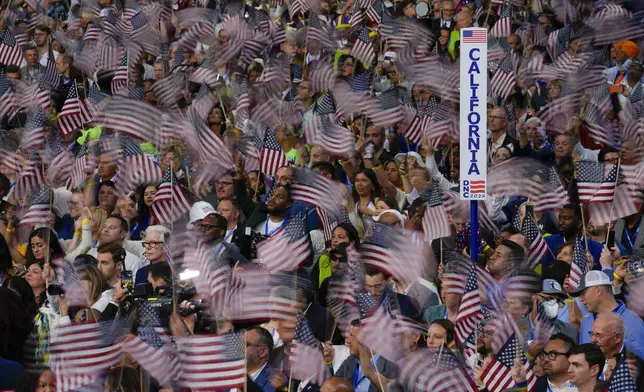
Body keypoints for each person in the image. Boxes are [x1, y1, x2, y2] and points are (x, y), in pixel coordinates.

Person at [571, 270, 644, 359]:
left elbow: (640, 364)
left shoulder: (632, 321)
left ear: (598, 290)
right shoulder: (586, 322)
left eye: (583, 293)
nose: (581, 299)